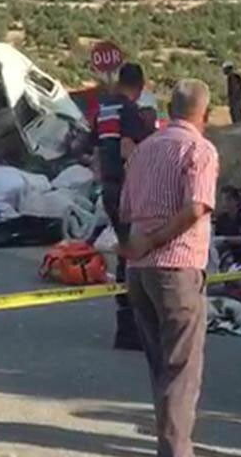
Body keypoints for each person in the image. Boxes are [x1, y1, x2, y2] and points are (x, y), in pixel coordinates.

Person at [118, 79, 219, 457]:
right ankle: (176, 450)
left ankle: (167, 440)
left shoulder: (143, 151)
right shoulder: (199, 149)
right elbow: (196, 207)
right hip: (177, 268)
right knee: (182, 370)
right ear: (204, 112)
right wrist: (159, 238)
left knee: (160, 366)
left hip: (140, 273)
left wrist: (142, 240)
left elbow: (126, 209)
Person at [94, 62, 156, 350]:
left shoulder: (104, 109)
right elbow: (127, 149)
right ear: (139, 86)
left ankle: (125, 327)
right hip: (125, 188)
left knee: (124, 254)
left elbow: (96, 151)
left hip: (108, 187)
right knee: (134, 255)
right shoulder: (129, 110)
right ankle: (134, 329)